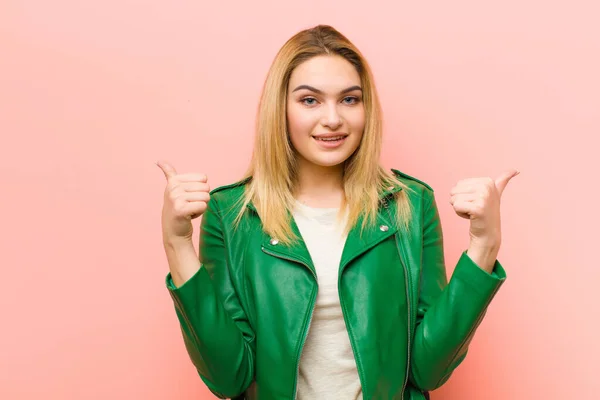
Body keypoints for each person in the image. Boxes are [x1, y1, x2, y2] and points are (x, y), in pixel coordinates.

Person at [157, 24, 518, 400]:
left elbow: (429, 369)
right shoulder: (231, 214)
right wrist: (177, 244)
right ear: (279, 108)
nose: (333, 119)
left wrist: (484, 246)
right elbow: (228, 377)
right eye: (309, 100)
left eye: (349, 99)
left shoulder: (410, 205)